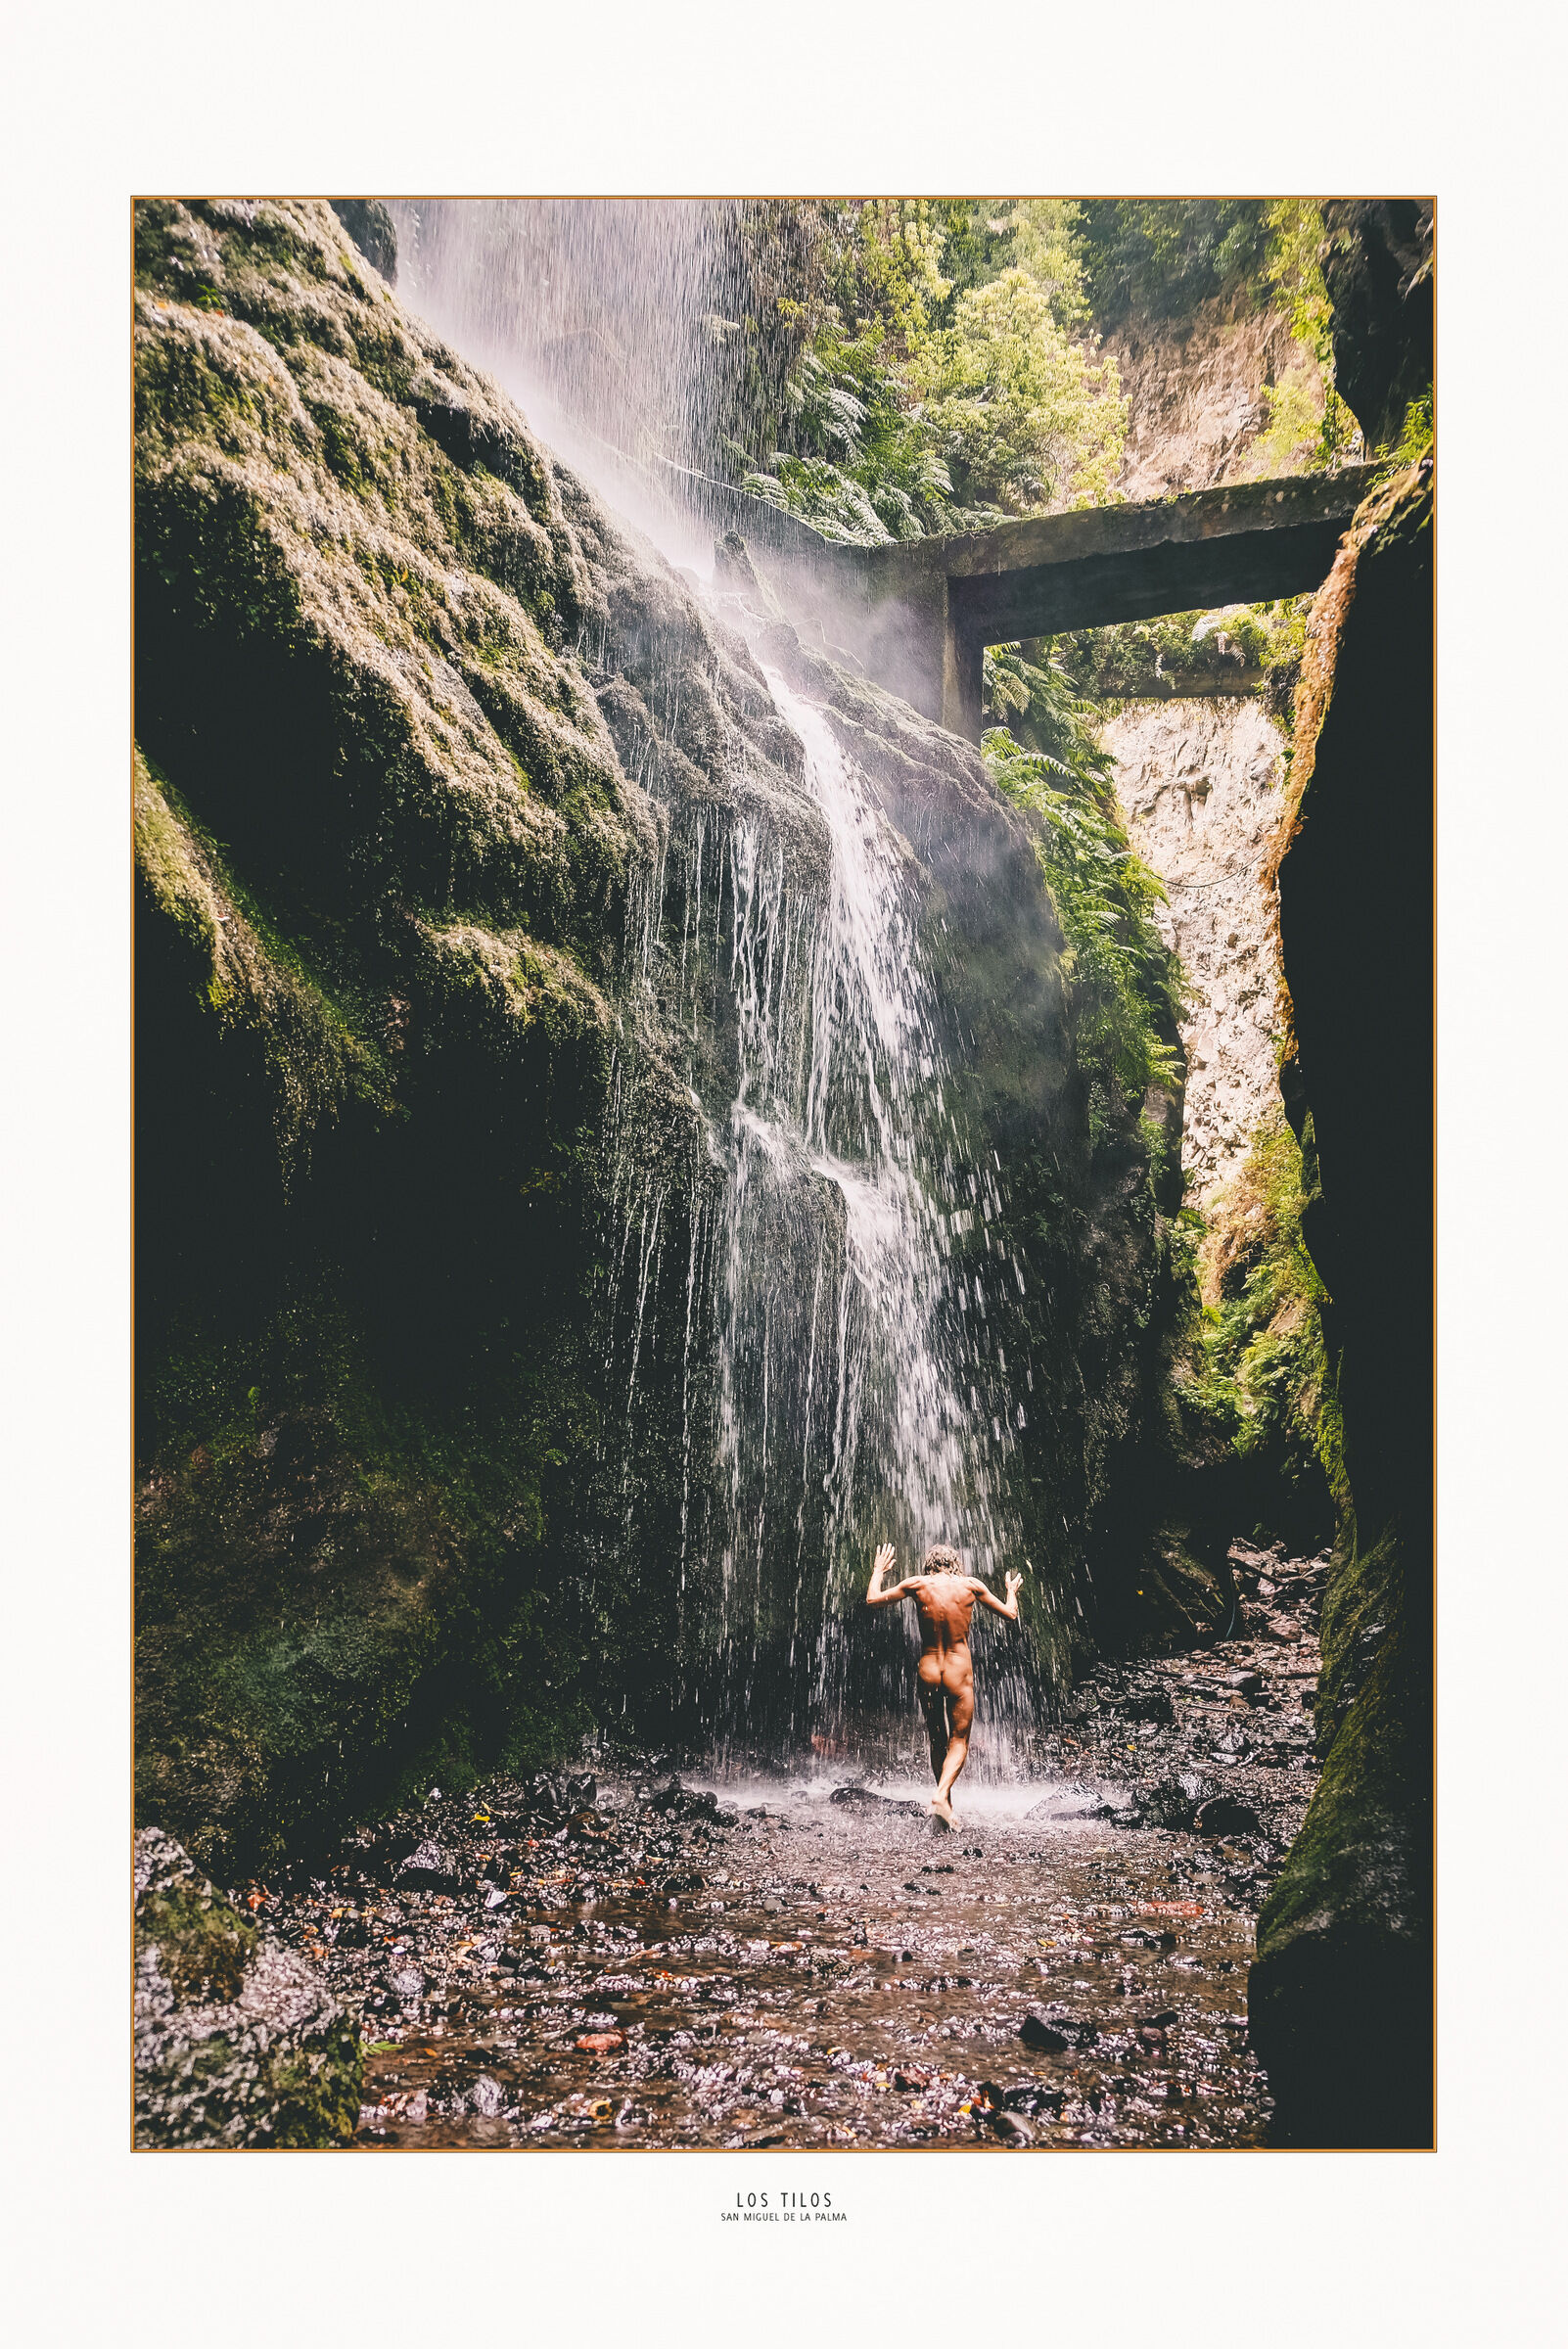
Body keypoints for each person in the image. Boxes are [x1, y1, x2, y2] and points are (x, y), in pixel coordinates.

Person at [866, 1542, 1024, 1825]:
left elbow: (872, 1599)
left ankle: (945, 1807)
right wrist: (1011, 1592)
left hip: (928, 1668)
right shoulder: (971, 1586)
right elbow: (1010, 1614)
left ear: (930, 1564)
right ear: (955, 1564)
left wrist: (878, 1570)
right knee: (959, 1740)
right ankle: (941, 1796)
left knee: (937, 1738)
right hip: (957, 1669)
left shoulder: (916, 1584)